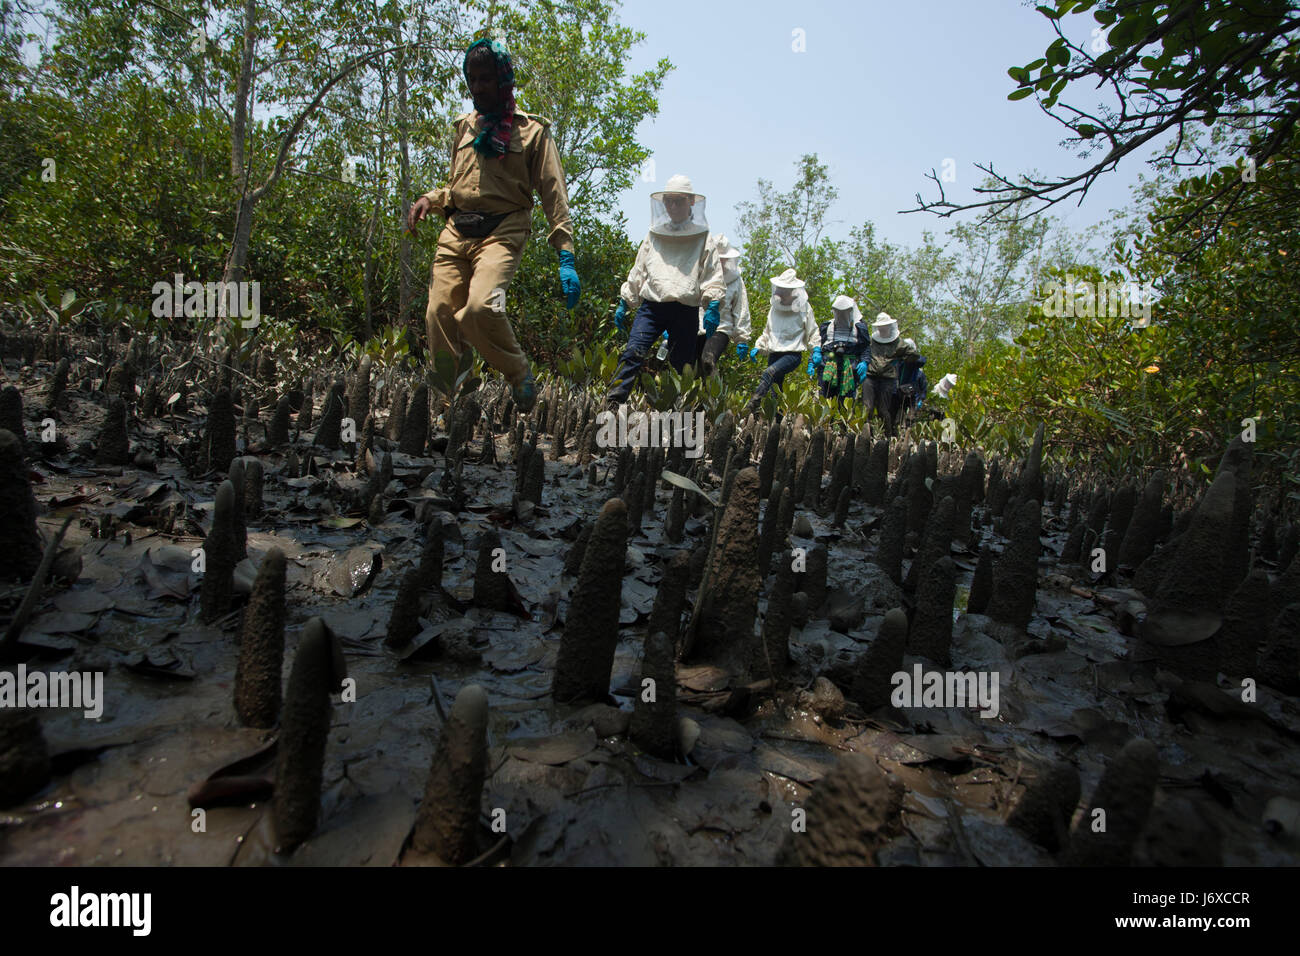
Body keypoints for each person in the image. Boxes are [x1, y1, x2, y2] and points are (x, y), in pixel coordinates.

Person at [407, 37, 579, 415]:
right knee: (438, 313)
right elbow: (456, 186)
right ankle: (452, 405)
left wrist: (565, 253)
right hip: (455, 232)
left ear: (504, 80)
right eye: (472, 78)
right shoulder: (464, 127)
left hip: (502, 232)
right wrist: (430, 200)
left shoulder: (533, 132)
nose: (477, 87)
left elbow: (553, 194)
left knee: (480, 309)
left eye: (486, 78)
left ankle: (519, 373)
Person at [605, 174, 724, 407]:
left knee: (682, 368)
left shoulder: (703, 238)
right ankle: (612, 402)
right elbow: (640, 267)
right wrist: (625, 300)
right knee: (632, 353)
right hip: (652, 306)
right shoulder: (655, 233)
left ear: (691, 202)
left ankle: (675, 414)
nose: (672, 206)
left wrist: (713, 305)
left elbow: (712, 274)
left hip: (686, 309)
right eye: (668, 201)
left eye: (678, 201)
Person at [743, 268, 818, 415]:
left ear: (792, 291)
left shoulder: (804, 308)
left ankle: (752, 405)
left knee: (768, 373)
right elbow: (768, 332)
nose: (780, 293)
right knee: (774, 391)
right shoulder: (774, 309)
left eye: (784, 290)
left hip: (792, 354)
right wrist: (759, 346)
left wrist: (815, 350)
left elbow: (812, 331)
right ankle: (777, 422)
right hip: (774, 353)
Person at [696, 235, 751, 377]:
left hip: (721, 328)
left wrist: (742, 338)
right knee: (690, 367)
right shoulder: (698, 272)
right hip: (695, 326)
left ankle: (714, 398)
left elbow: (741, 308)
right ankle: (692, 399)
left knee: (708, 361)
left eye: (724, 258)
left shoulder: (736, 280)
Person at [859, 312, 920, 436]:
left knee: (883, 410)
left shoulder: (898, 343)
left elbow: (914, 355)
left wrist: (901, 359)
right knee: (867, 408)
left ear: (889, 326)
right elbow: (861, 350)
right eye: (880, 326)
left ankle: (887, 437)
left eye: (884, 326)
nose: (882, 329)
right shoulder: (871, 341)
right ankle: (865, 436)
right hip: (870, 376)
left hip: (887, 379)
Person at [811, 295, 871, 405]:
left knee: (845, 403)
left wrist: (864, 362)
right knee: (825, 399)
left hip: (849, 369)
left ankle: (842, 422)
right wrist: (813, 358)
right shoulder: (826, 326)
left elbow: (865, 348)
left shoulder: (859, 328)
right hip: (827, 367)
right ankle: (824, 422)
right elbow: (818, 344)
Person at [894, 338, 929, 424]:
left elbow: (922, 361)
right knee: (896, 418)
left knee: (910, 419)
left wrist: (921, 399)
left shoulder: (916, 366)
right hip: (898, 393)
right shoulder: (899, 362)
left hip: (911, 395)